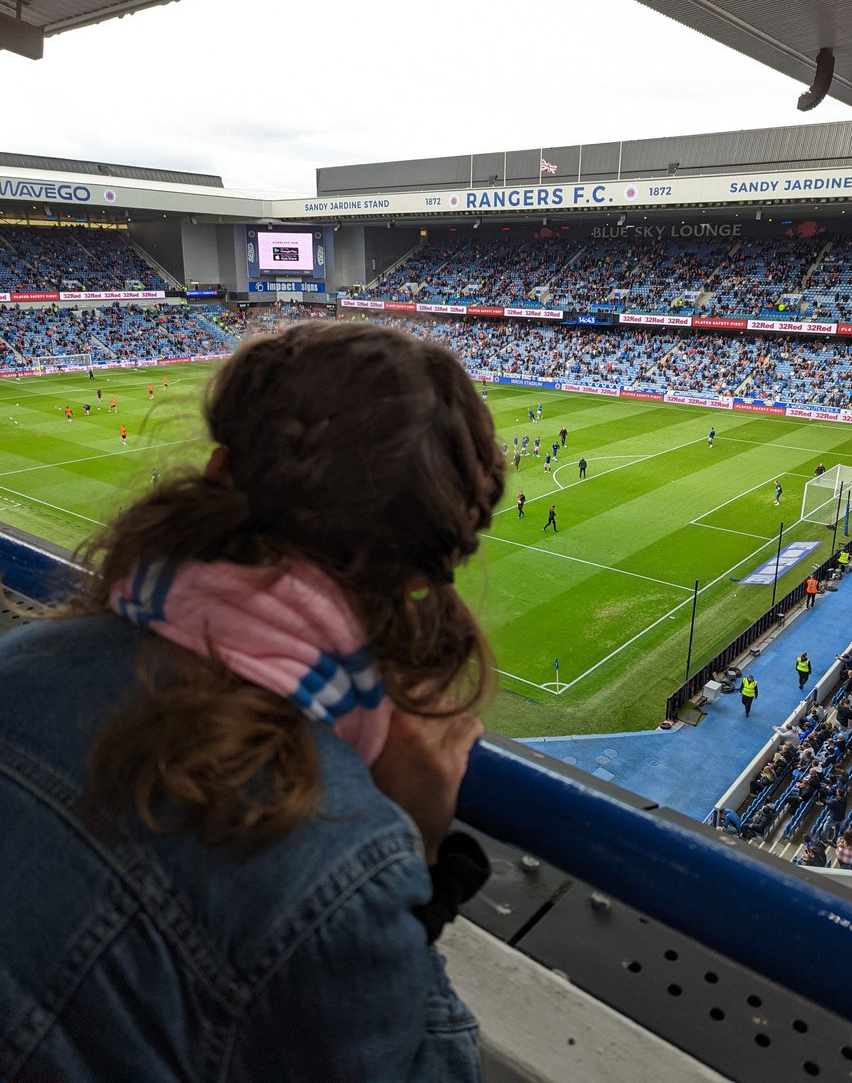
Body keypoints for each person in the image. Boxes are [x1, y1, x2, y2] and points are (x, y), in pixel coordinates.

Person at [0, 322, 503, 1082]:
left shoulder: (19, 658)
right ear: (425, 565)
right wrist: (420, 844)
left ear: (219, 469)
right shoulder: (340, 855)